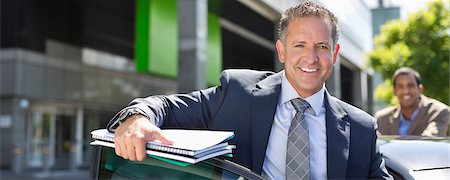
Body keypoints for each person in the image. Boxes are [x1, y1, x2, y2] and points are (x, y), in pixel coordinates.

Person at [107, 1, 392, 179]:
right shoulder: (238, 93)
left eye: (321, 47)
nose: (311, 58)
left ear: (335, 53)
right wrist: (137, 118)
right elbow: (167, 107)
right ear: (281, 50)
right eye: (299, 45)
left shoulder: (361, 128)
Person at [375, 67, 450, 137]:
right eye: (400, 86)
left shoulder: (440, 112)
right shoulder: (382, 118)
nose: (406, 91)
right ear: (394, 91)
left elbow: (430, 141)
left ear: (420, 89)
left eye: (410, 85)